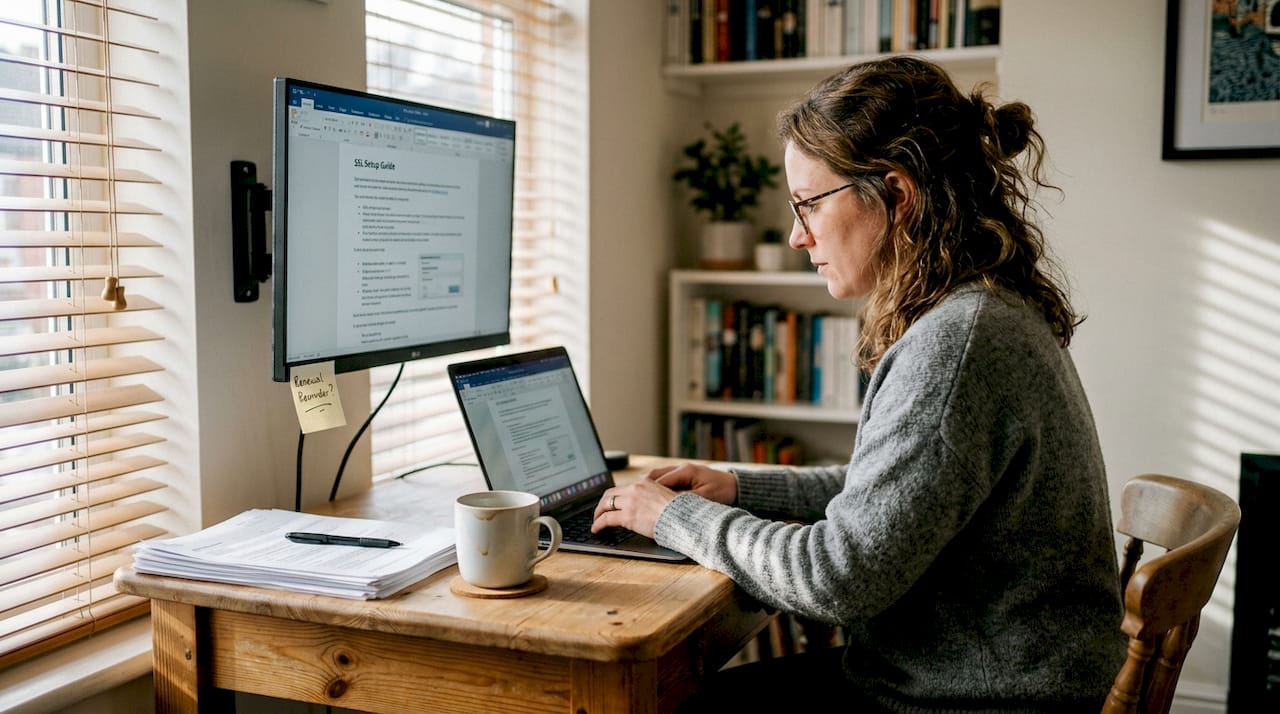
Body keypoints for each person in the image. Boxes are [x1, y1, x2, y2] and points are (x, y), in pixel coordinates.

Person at [592, 56, 1126, 712]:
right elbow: (887, 496)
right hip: (985, 678)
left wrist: (673, 517)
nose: (797, 236)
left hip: (973, 700)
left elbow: (835, 577)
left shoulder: (957, 343)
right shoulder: (979, 311)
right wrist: (739, 487)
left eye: (809, 204)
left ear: (897, 195)